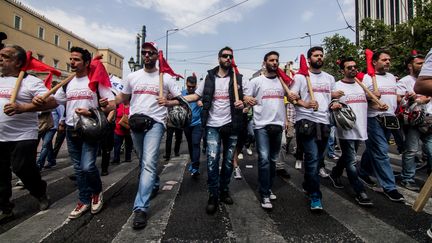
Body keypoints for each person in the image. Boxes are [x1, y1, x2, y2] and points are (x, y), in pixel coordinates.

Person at [116, 42, 181, 229]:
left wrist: (168, 102)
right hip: (135, 122)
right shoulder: (132, 76)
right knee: (144, 160)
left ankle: (141, 208)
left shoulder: (165, 78)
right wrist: (110, 104)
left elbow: (179, 99)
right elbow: (123, 97)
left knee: (149, 163)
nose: (146, 55)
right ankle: (153, 185)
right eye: (144, 52)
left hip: (156, 124)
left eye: (150, 53)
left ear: (156, 56)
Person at [51, 46, 115, 219]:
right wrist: (39, 100)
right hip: (72, 130)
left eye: (76, 59)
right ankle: (84, 199)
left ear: (86, 62)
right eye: (71, 59)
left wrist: (94, 110)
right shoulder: (67, 83)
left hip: (90, 129)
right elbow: (54, 102)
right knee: (78, 169)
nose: (72, 62)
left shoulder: (95, 81)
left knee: (87, 166)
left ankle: (96, 191)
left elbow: (111, 104)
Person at [183, 46, 244, 214]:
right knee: (212, 161)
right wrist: (176, 100)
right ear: (219, 58)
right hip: (212, 125)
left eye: (230, 56)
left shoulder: (238, 78)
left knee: (228, 162)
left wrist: (244, 103)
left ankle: (224, 190)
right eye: (224, 56)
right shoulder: (209, 78)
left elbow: (246, 97)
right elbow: (196, 96)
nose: (227, 59)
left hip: (231, 125)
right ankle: (213, 194)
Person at [0, 44, 56, 222]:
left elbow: (52, 102)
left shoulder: (30, 81)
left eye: (6, 56)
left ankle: (40, 191)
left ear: (18, 62)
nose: (0, 59)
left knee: (22, 168)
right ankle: (5, 208)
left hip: (23, 135)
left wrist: (23, 107)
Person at [244, 51, 296, 209]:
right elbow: (247, 98)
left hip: (278, 125)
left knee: (273, 160)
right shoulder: (256, 81)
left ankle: (266, 186)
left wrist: (287, 120)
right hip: (261, 126)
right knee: (264, 159)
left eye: (276, 60)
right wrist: (247, 100)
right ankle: (265, 194)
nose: (274, 62)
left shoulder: (283, 82)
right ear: (264, 62)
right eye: (271, 60)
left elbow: (287, 102)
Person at [291, 46, 341, 210]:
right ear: (309, 58)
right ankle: (315, 196)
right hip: (306, 121)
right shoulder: (300, 77)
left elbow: (331, 98)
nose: (319, 57)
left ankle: (308, 183)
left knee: (318, 159)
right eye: (316, 55)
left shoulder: (329, 78)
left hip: (324, 122)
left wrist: (335, 103)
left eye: (321, 55)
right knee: (312, 158)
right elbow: (292, 97)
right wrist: (304, 103)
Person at [357, 50, 405, 202]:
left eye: (389, 59)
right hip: (374, 118)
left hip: (389, 119)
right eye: (384, 59)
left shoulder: (392, 77)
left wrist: (403, 99)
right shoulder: (367, 78)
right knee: (382, 152)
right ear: (374, 62)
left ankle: (363, 172)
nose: (388, 62)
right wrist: (372, 100)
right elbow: (360, 98)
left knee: (374, 149)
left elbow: (396, 97)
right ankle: (389, 187)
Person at [328, 57, 373, 206]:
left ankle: (335, 173)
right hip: (346, 130)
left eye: (355, 67)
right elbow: (331, 102)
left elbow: (372, 99)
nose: (353, 69)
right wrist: (334, 104)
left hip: (361, 128)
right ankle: (359, 191)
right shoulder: (336, 86)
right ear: (342, 71)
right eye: (349, 67)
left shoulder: (362, 85)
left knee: (348, 157)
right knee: (352, 161)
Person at [397, 52, 429, 192]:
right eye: (419, 63)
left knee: (430, 150)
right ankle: (407, 179)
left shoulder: (429, 79)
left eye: (424, 63)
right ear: (410, 66)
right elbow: (399, 100)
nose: (422, 66)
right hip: (413, 121)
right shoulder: (404, 81)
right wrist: (414, 100)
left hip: (430, 119)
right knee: (411, 151)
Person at [182, 75, 203, 177]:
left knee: (195, 144)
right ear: (186, 84)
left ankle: (195, 167)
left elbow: (207, 107)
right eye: (189, 86)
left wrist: (202, 103)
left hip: (197, 124)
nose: (190, 88)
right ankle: (193, 162)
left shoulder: (199, 94)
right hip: (186, 124)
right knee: (190, 145)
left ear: (195, 86)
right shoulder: (182, 94)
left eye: (193, 87)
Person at [37, 104, 65, 169]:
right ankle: (52, 161)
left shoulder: (55, 101)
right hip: (43, 126)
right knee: (48, 145)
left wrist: (61, 124)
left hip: (53, 127)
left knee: (45, 145)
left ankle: (39, 164)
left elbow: (62, 113)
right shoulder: (40, 100)